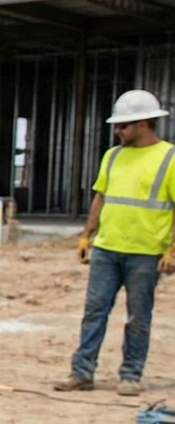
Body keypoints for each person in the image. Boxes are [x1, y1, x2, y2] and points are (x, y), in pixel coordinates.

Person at [55, 89, 175, 396]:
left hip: (146, 253)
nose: (116, 131)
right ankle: (82, 372)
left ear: (143, 124)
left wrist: (172, 250)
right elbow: (101, 197)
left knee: (138, 317)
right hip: (107, 249)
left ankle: (130, 375)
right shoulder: (112, 156)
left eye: (122, 125)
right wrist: (87, 235)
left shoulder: (170, 159)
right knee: (94, 312)